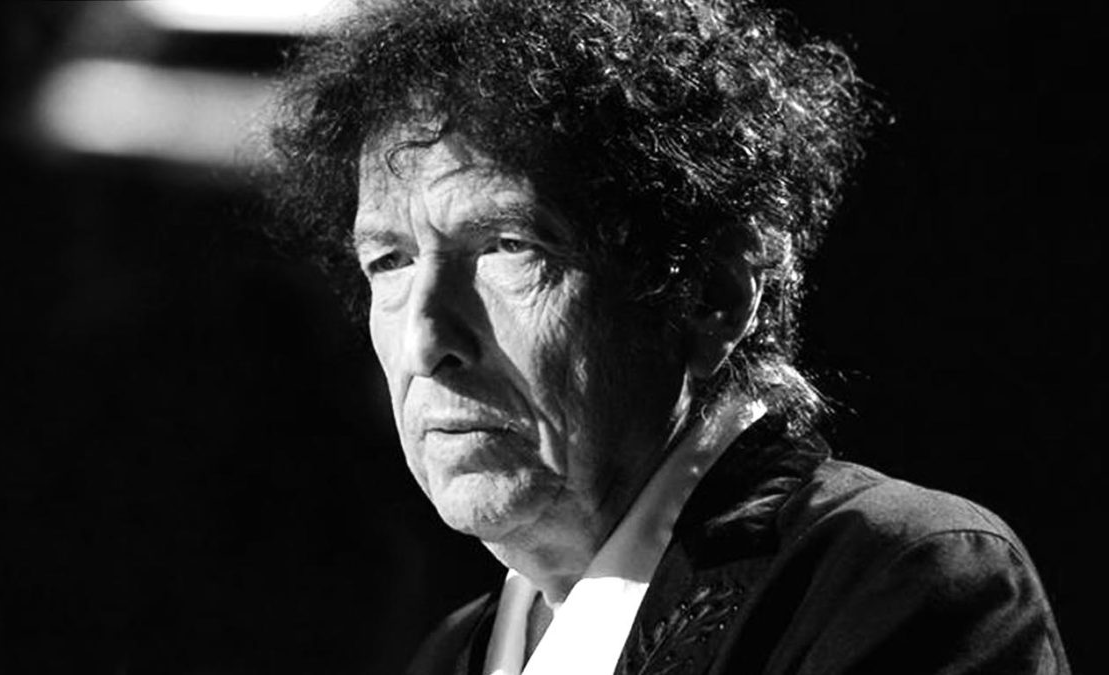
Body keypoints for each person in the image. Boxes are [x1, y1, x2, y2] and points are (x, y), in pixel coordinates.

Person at [266, 0, 1070, 672]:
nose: (426, 341)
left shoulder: (897, 581)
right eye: (391, 261)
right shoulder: (450, 654)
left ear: (714, 292)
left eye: (508, 246)